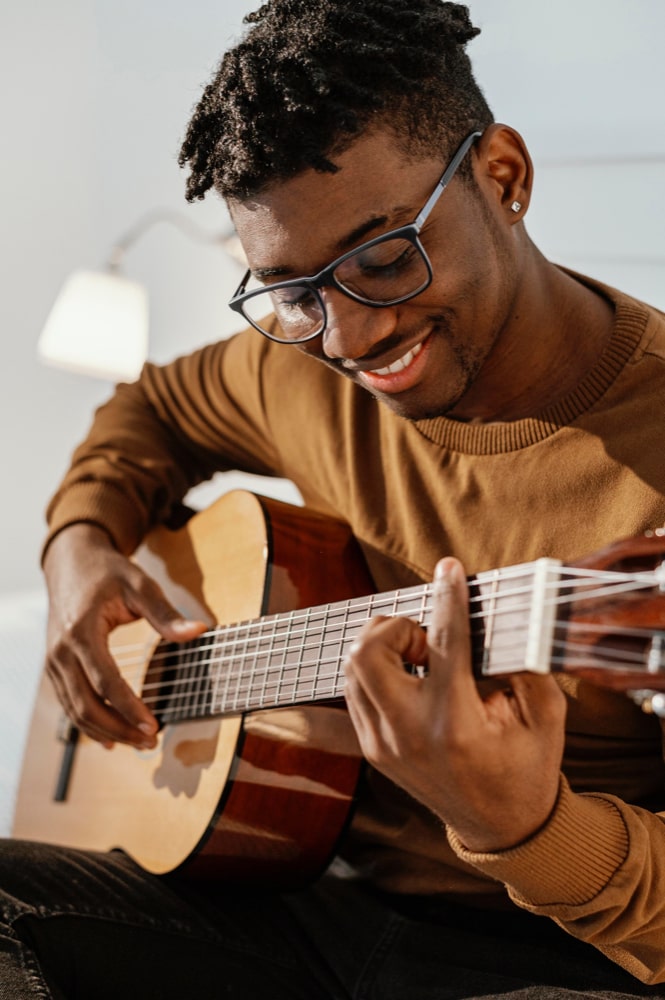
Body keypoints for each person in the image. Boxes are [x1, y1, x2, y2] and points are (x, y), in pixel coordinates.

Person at [4, 1, 665, 996]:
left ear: (503, 176)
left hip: (567, 958)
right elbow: (149, 410)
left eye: (384, 258)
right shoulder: (300, 369)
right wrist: (78, 551)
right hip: (303, 899)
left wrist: (523, 827)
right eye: (293, 293)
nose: (349, 339)